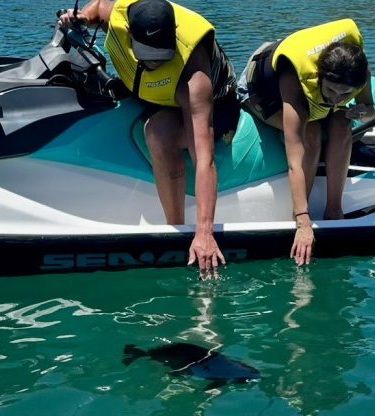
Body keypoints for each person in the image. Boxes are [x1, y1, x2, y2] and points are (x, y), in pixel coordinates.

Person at [59, 0, 240, 279]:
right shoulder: (119, 14)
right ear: (129, 33)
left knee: (158, 134)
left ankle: (176, 229)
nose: (154, 62)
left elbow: (204, 160)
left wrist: (204, 233)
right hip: (153, 93)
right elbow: (95, 10)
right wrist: (79, 17)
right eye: (148, 56)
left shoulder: (195, 77)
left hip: (214, 103)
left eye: (161, 56)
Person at [238, 19, 375, 266]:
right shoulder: (295, 79)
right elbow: (295, 158)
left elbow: (369, 112)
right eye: (331, 91)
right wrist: (303, 221)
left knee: (341, 124)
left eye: (345, 94)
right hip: (259, 90)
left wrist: (362, 112)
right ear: (319, 77)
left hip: (318, 85)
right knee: (311, 132)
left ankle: (334, 209)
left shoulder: (358, 74)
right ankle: (300, 212)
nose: (337, 99)